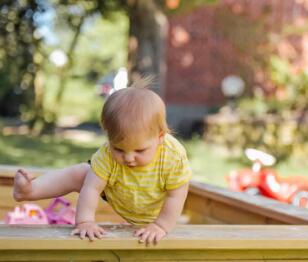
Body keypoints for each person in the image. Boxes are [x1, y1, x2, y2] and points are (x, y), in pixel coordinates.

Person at [13, 78, 192, 245]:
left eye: (139, 150)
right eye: (119, 149)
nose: (128, 158)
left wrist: (161, 225)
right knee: (82, 173)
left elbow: (176, 195)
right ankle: (30, 190)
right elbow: (91, 188)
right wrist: (85, 221)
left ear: (160, 137)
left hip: (155, 208)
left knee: (168, 203)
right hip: (119, 191)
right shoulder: (106, 154)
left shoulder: (173, 157)